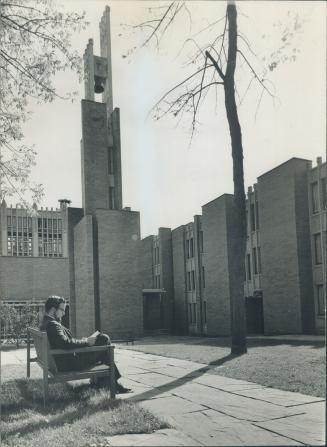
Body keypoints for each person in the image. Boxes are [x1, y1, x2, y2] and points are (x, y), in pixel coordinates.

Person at [39, 295, 131, 393]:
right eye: (62, 310)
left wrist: (83, 341)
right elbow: (65, 343)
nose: (64, 313)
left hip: (63, 360)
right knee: (104, 339)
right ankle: (110, 383)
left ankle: (108, 383)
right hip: (71, 363)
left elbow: (63, 342)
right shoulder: (52, 325)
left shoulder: (46, 322)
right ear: (53, 310)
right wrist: (86, 342)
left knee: (102, 345)